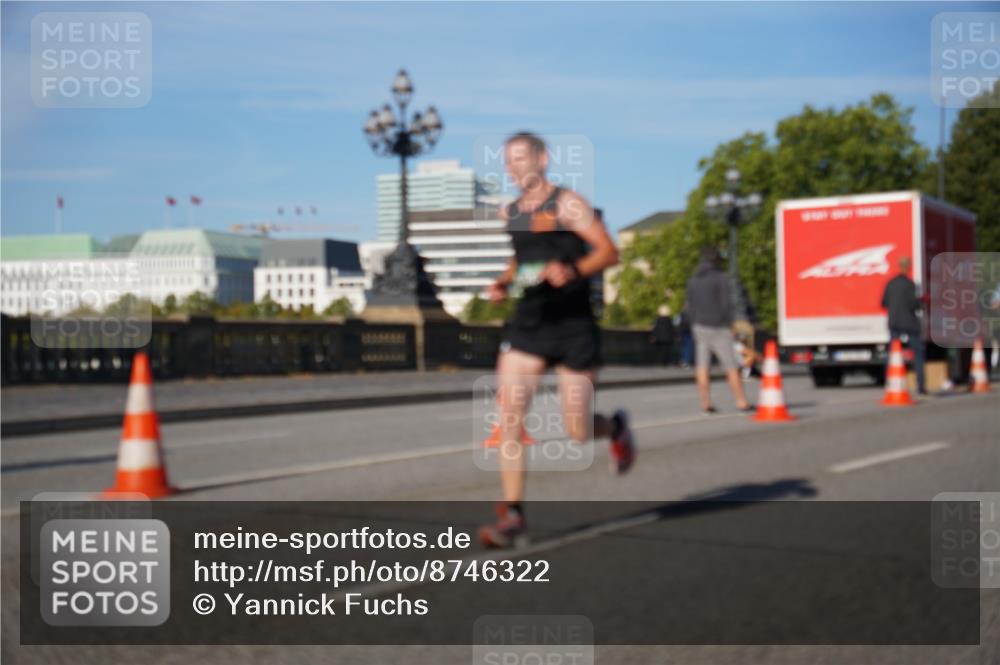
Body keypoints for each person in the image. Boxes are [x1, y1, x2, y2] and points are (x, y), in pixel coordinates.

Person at [478, 131, 636, 549]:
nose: (512, 168)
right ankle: (513, 515)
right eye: (507, 162)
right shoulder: (510, 211)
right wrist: (502, 281)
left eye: (519, 159)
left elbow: (608, 251)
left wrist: (572, 271)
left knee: (577, 430)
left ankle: (615, 427)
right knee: (508, 416)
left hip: (573, 327)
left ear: (543, 159)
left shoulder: (569, 203)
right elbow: (522, 257)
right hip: (528, 325)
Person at [685, 247, 752, 414]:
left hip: (699, 326)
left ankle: (705, 403)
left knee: (702, 366)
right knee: (731, 366)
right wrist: (730, 325)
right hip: (719, 327)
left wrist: (694, 323)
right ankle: (741, 401)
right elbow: (726, 305)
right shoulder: (721, 278)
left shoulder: (693, 280)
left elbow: (690, 307)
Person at [880, 256, 926, 394]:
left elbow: (883, 303)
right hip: (910, 323)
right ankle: (920, 385)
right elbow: (915, 305)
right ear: (909, 267)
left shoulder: (890, 283)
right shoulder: (910, 284)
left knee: (893, 354)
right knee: (918, 353)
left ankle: (891, 384)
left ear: (899, 266)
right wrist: (921, 303)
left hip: (894, 322)